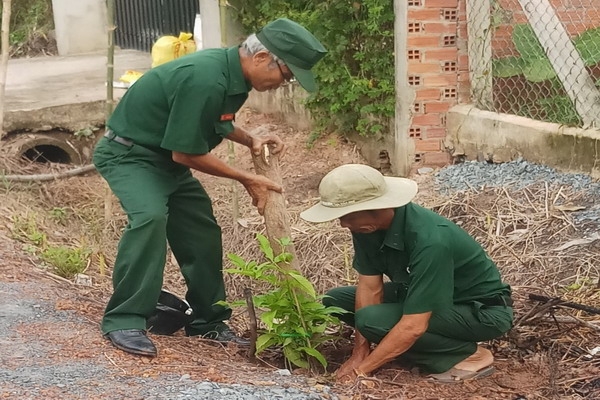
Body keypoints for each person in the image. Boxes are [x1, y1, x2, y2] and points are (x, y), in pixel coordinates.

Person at [93, 18, 327, 357]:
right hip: (130, 155)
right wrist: (246, 178)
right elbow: (186, 152)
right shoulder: (205, 77)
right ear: (262, 58)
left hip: (164, 161)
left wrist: (251, 140)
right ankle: (125, 319)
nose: (284, 84)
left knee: (201, 230)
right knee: (150, 219)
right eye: (286, 75)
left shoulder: (233, 77)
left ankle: (208, 321)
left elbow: (218, 120)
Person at [300, 164, 513, 383]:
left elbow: (414, 325)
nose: (343, 224)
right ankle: (406, 347)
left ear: (377, 207)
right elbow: (369, 288)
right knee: (335, 300)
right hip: (423, 295)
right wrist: (359, 354)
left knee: (371, 320)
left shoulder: (431, 241)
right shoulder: (366, 227)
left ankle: (465, 353)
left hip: (480, 311)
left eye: (347, 216)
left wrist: (361, 372)